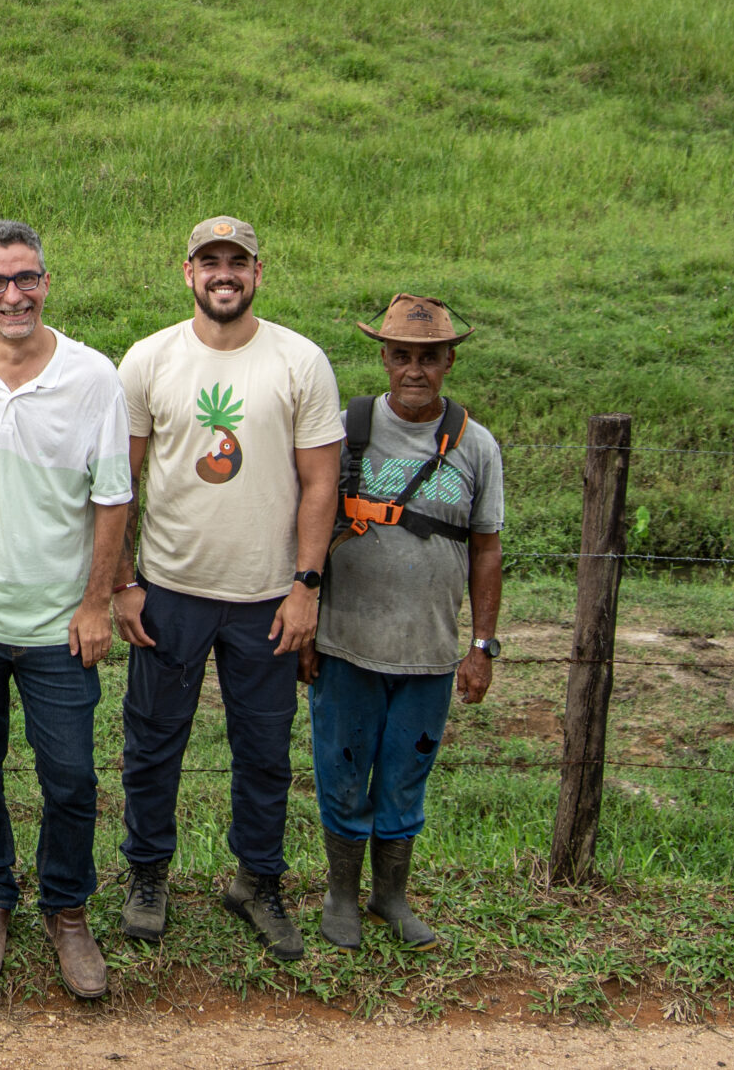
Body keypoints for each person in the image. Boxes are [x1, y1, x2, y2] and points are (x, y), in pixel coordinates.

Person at [113, 217, 342, 965]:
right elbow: (123, 478)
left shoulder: (299, 360)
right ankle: (147, 874)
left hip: (266, 595)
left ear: (257, 271)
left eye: (236, 262)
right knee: (152, 744)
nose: (223, 273)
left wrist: (306, 583)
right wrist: (121, 581)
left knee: (265, 749)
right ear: (187, 272)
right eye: (209, 261)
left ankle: (257, 878)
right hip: (171, 590)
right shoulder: (149, 359)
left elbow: (320, 483)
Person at [0, 221, 129, 997]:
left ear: (46, 281)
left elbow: (113, 498)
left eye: (26, 277)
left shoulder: (92, 377)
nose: (13, 294)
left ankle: (68, 909)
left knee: (70, 775)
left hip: (58, 624)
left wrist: (96, 603)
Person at [307, 294, 504, 951]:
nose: (414, 369)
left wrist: (481, 645)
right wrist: (302, 622)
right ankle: (340, 893)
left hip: (428, 652)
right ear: (385, 358)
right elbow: (305, 522)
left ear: (449, 360)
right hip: (345, 644)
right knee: (342, 769)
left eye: (428, 356)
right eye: (401, 355)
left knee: (404, 776)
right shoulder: (346, 428)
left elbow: (486, 547)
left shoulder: (477, 446)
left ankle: (390, 895)